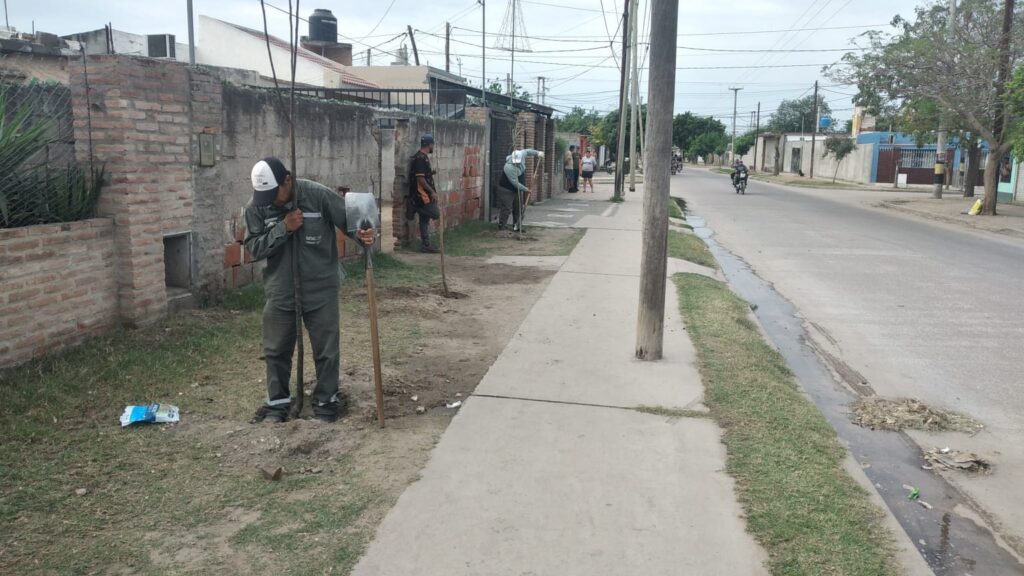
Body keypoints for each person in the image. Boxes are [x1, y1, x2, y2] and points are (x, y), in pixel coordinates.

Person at [244, 157, 376, 424]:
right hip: (281, 290)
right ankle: (277, 406)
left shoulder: (317, 195)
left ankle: (326, 405)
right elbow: (254, 248)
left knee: (326, 350)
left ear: (288, 180)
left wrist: (365, 235)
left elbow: (354, 224)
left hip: (321, 287)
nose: (270, 200)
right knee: (276, 351)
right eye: (265, 196)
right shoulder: (257, 207)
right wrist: (284, 228)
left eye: (274, 193)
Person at [408, 134, 441, 253]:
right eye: (432, 145)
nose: (433, 147)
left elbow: (423, 175)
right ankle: (414, 207)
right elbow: (420, 180)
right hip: (421, 195)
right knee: (435, 213)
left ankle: (426, 245)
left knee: (424, 219)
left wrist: (430, 173)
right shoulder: (420, 159)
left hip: (424, 194)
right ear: (429, 145)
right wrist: (432, 192)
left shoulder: (423, 157)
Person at [497, 148, 544, 231]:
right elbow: (515, 183)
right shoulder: (508, 167)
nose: (517, 163)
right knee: (507, 208)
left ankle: (517, 226)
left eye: (518, 161)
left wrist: (538, 153)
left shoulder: (522, 154)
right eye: (516, 161)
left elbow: (528, 151)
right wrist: (526, 189)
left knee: (518, 207)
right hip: (507, 189)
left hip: (517, 190)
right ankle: (502, 225)